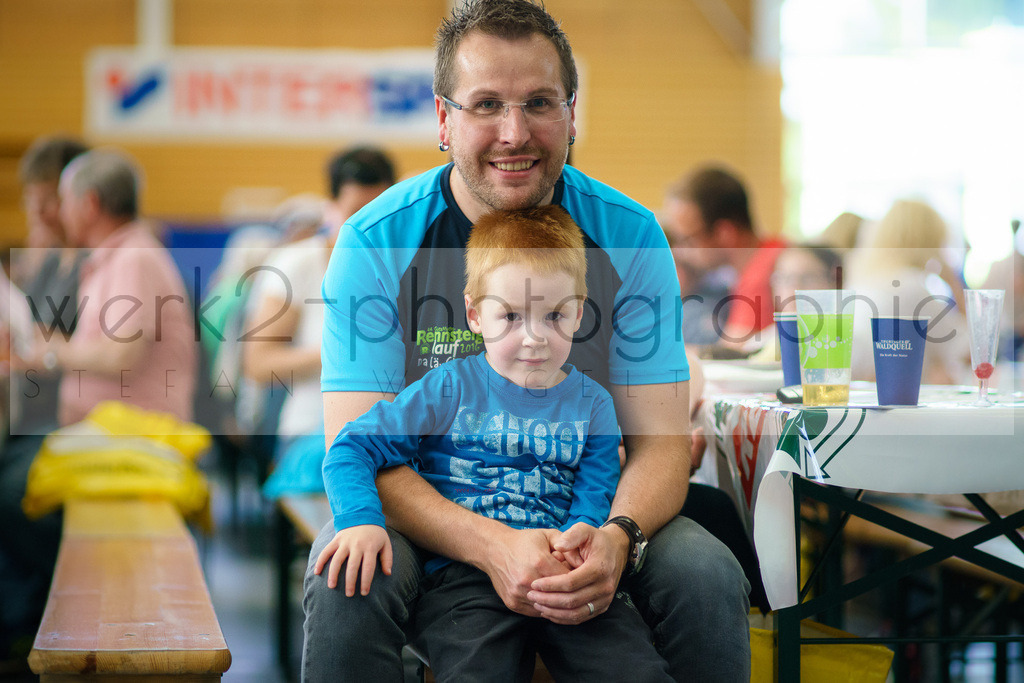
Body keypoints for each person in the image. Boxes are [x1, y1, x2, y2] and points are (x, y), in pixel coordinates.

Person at [304, 2, 751, 681]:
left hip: (586, 511)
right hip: (430, 512)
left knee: (707, 570)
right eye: (486, 104)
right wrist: (496, 545)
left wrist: (615, 536)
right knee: (347, 576)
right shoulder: (376, 241)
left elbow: (658, 446)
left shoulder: (628, 235)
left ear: (572, 114)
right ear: (444, 121)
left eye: (539, 102)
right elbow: (359, 447)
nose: (515, 133)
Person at [315, 205, 672, 679]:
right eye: (509, 316)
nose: (534, 338)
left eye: (553, 315)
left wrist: (583, 538)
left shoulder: (595, 406)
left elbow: (596, 490)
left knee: (637, 672)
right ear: (474, 314)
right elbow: (350, 447)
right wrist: (359, 521)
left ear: (579, 312)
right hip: (466, 581)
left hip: (564, 575)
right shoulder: (448, 389)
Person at [0, 148, 196, 668]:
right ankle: (43, 615)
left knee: (13, 492)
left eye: (62, 201)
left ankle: (46, 621)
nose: (58, 213)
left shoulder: (132, 256)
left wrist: (43, 352)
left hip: (134, 435)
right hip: (107, 430)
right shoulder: (118, 255)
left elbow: (119, 353)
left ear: (87, 203)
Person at [241, 146, 395, 454]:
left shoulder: (398, 264)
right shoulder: (297, 264)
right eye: (355, 213)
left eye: (378, 211)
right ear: (331, 208)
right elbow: (258, 364)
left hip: (384, 434)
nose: (368, 225)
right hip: (311, 434)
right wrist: (349, 352)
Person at [846, 199, 969, 385]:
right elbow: (967, 349)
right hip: (898, 400)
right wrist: (954, 283)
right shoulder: (913, 287)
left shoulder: (862, 280)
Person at [664, 164, 786, 350]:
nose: (680, 251)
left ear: (724, 233)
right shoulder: (768, 254)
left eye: (688, 240)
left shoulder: (764, 270)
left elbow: (730, 352)